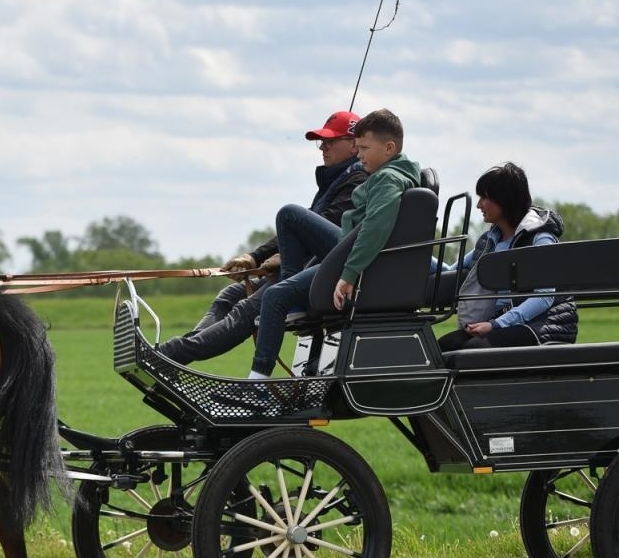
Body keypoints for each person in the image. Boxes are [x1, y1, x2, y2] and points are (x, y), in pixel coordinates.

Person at [157, 110, 366, 365]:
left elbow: (327, 228)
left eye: (331, 141)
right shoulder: (336, 180)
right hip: (307, 268)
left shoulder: (358, 181)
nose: (323, 147)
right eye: (321, 142)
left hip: (317, 275)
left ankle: (172, 354)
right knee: (231, 295)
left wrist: (280, 259)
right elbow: (307, 226)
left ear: (355, 144)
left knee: (247, 309)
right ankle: (179, 352)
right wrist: (254, 256)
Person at [236, 108, 422, 392]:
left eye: (364, 148)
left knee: (275, 294)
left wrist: (348, 275)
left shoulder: (388, 180)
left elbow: (374, 229)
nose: (359, 155)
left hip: (357, 260)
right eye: (357, 148)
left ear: (389, 148)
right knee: (289, 224)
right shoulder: (396, 175)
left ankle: (256, 388)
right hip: (352, 250)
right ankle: (292, 300)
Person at [438, 162, 578, 352]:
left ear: (504, 200)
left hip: (544, 325)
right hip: (502, 323)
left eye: (484, 197)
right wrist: (409, 253)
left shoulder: (540, 239)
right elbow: (449, 270)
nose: (479, 204)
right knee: (443, 347)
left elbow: (544, 297)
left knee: (475, 349)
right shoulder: (489, 240)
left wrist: (496, 325)